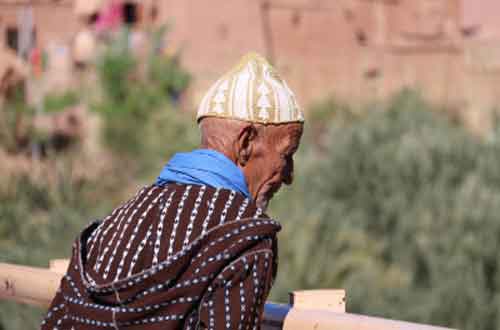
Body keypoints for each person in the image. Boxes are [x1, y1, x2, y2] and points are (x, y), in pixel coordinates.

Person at [41, 53, 304, 330]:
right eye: (287, 155)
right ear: (247, 142)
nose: (289, 176)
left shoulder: (117, 221)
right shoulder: (245, 237)